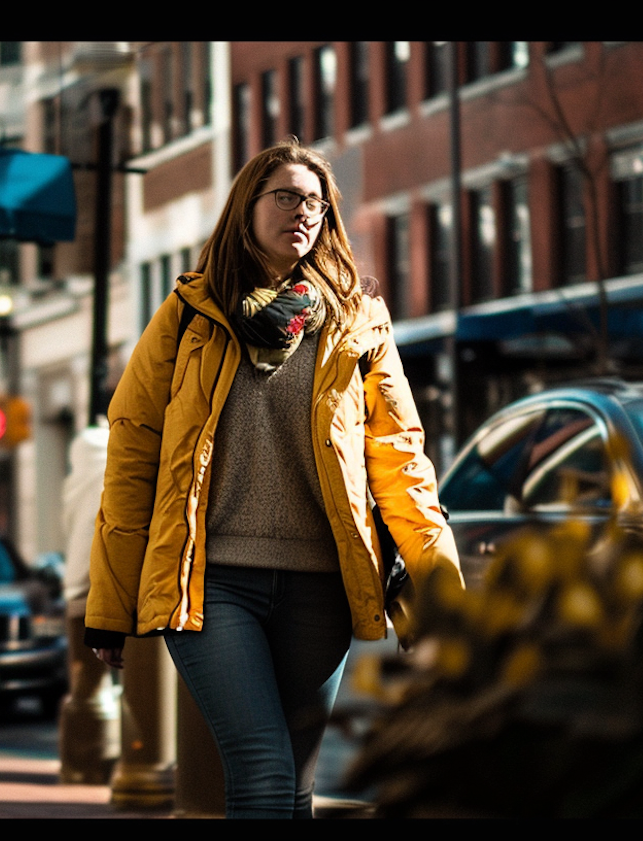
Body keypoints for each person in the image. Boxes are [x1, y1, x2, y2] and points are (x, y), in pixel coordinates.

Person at [83, 141, 463, 819]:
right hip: (213, 582)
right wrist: (110, 604)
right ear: (247, 207)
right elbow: (133, 451)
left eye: (316, 201)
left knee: (295, 789)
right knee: (261, 767)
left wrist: (441, 593)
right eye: (286, 195)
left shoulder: (357, 320)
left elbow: (401, 458)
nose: (304, 212)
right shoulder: (191, 314)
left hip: (321, 586)